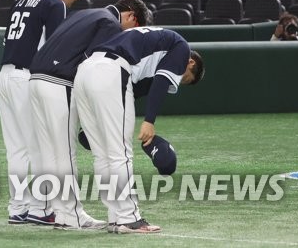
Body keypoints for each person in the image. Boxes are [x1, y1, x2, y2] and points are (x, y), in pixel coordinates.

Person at [28, 0, 149, 229]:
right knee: (64, 153)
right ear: (132, 16)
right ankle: (71, 215)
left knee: (49, 153)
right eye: (135, 28)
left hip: (35, 80)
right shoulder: (110, 24)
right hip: (58, 81)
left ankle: (63, 213)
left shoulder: (85, 13)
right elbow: (92, 63)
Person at [74, 27, 205, 233]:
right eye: (184, 77)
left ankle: (116, 218)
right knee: (120, 153)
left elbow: (135, 91)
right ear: (191, 63)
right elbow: (161, 82)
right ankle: (129, 218)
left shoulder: (155, 48)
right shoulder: (182, 48)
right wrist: (149, 121)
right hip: (113, 70)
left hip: (84, 70)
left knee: (102, 155)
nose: (179, 79)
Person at [0, 0, 86, 225]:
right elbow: (56, 43)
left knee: (16, 148)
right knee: (38, 145)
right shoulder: (54, 3)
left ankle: (17, 207)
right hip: (27, 76)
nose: (70, 5)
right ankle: (40, 208)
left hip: (5, 75)